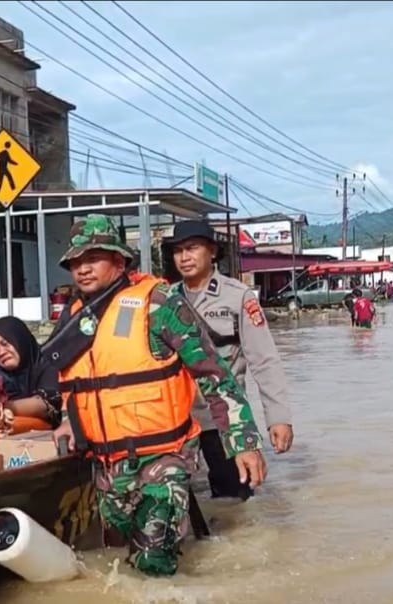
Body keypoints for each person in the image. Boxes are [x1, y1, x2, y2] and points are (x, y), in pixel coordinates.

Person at [45, 214, 267, 577]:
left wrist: (242, 441)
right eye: (75, 262)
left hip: (162, 459)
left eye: (92, 259)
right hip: (107, 466)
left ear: (119, 260)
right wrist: (68, 420)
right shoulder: (73, 317)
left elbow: (214, 376)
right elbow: (72, 382)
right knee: (116, 562)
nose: (82, 269)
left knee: (153, 562)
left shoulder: (159, 304)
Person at [163, 220, 294, 501]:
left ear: (212, 251)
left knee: (234, 506)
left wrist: (278, 417)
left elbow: (264, 360)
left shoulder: (238, 297)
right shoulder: (164, 300)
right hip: (177, 423)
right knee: (179, 505)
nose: (184, 257)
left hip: (222, 421)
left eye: (192, 248)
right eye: (178, 251)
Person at [0, 316, 61, 426]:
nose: (1, 353)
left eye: (5, 344)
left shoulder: (46, 365)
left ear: (20, 340)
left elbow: (44, 405)